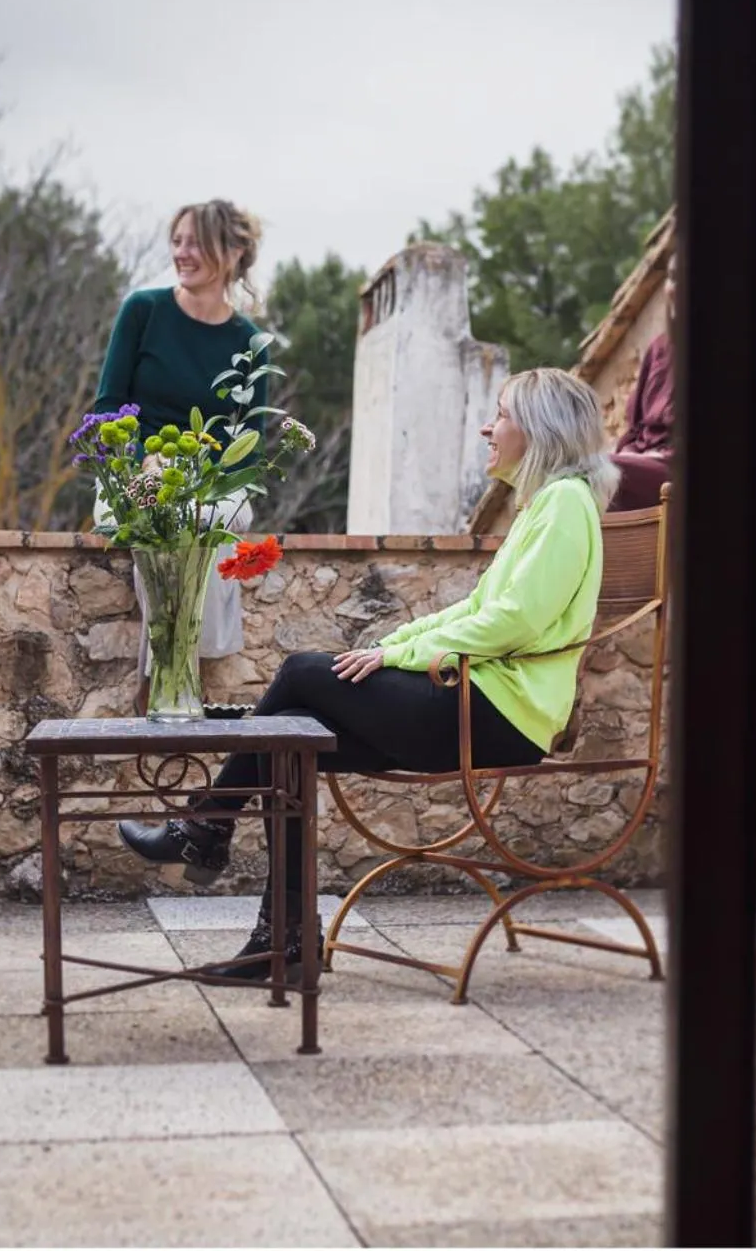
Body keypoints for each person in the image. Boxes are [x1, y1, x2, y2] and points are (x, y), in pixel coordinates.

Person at [117, 368, 621, 977]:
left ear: (540, 429)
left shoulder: (565, 504)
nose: (488, 428)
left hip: (496, 714)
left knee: (301, 673)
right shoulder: (547, 505)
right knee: (286, 739)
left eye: (502, 415)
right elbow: (474, 610)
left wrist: (395, 657)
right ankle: (282, 943)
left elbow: (514, 621)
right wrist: (394, 643)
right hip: (475, 702)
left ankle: (206, 826)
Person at [95, 200, 269, 692]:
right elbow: (108, 406)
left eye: (195, 242)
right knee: (165, 522)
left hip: (213, 486)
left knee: (198, 524)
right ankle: (174, 682)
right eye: (177, 241)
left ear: (232, 253)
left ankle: (162, 683)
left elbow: (250, 445)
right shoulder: (143, 311)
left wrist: (206, 486)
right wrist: (143, 466)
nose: (181, 253)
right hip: (134, 475)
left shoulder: (251, 342)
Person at [607, 250, 676, 512]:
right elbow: (636, 426)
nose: (675, 288)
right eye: (672, 277)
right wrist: (630, 453)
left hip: (677, 468)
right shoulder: (660, 348)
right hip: (642, 463)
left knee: (590, 471)